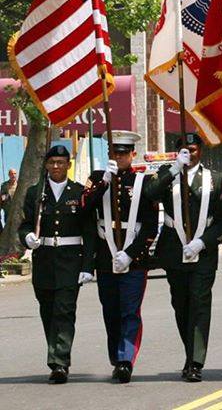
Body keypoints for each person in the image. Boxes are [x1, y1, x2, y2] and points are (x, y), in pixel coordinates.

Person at [144, 133, 222, 382]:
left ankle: (195, 361)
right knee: (181, 305)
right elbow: (150, 193)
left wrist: (203, 241)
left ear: (200, 151)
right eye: (184, 150)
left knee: (200, 303)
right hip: (173, 250)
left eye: (193, 149)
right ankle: (189, 352)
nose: (190, 154)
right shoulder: (167, 174)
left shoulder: (215, 179)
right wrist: (174, 168)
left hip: (203, 253)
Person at [83, 130, 158, 383]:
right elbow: (84, 209)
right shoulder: (97, 179)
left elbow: (150, 226)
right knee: (111, 311)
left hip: (133, 259)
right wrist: (104, 180)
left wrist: (131, 254)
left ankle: (126, 360)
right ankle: (116, 356)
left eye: (124, 153)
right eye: (115, 152)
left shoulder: (144, 182)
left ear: (132, 154)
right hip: (105, 257)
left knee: (129, 311)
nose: (119, 157)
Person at [19, 146, 94, 384]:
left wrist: (87, 266)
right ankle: (56, 355)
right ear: (46, 165)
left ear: (68, 165)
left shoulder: (79, 192)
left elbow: (89, 231)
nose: (56, 167)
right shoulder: (35, 192)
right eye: (52, 163)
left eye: (61, 162)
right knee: (48, 311)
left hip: (70, 261)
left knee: (64, 311)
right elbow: (25, 224)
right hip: (44, 261)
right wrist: (27, 237)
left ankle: (59, 363)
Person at [0, 168, 17, 232]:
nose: (13, 175)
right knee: (8, 228)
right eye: (12, 174)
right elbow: (1, 197)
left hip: (17, 210)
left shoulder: (19, 185)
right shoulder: (4, 185)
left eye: (15, 173)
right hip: (7, 210)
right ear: (9, 175)